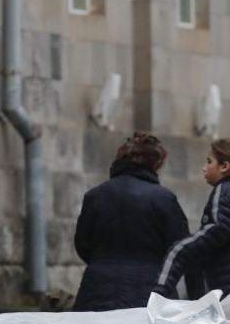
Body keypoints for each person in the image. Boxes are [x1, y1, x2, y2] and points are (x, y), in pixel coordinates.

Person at [73, 131, 191, 312]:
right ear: (156, 162)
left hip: (97, 289)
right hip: (148, 290)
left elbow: (82, 244)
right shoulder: (164, 199)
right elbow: (180, 247)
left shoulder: (94, 196)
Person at [153, 138, 230, 299]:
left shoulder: (224, 191)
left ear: (224, 167)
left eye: (209, 162)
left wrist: (181, 250)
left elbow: (218, 229)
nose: (204, 168)